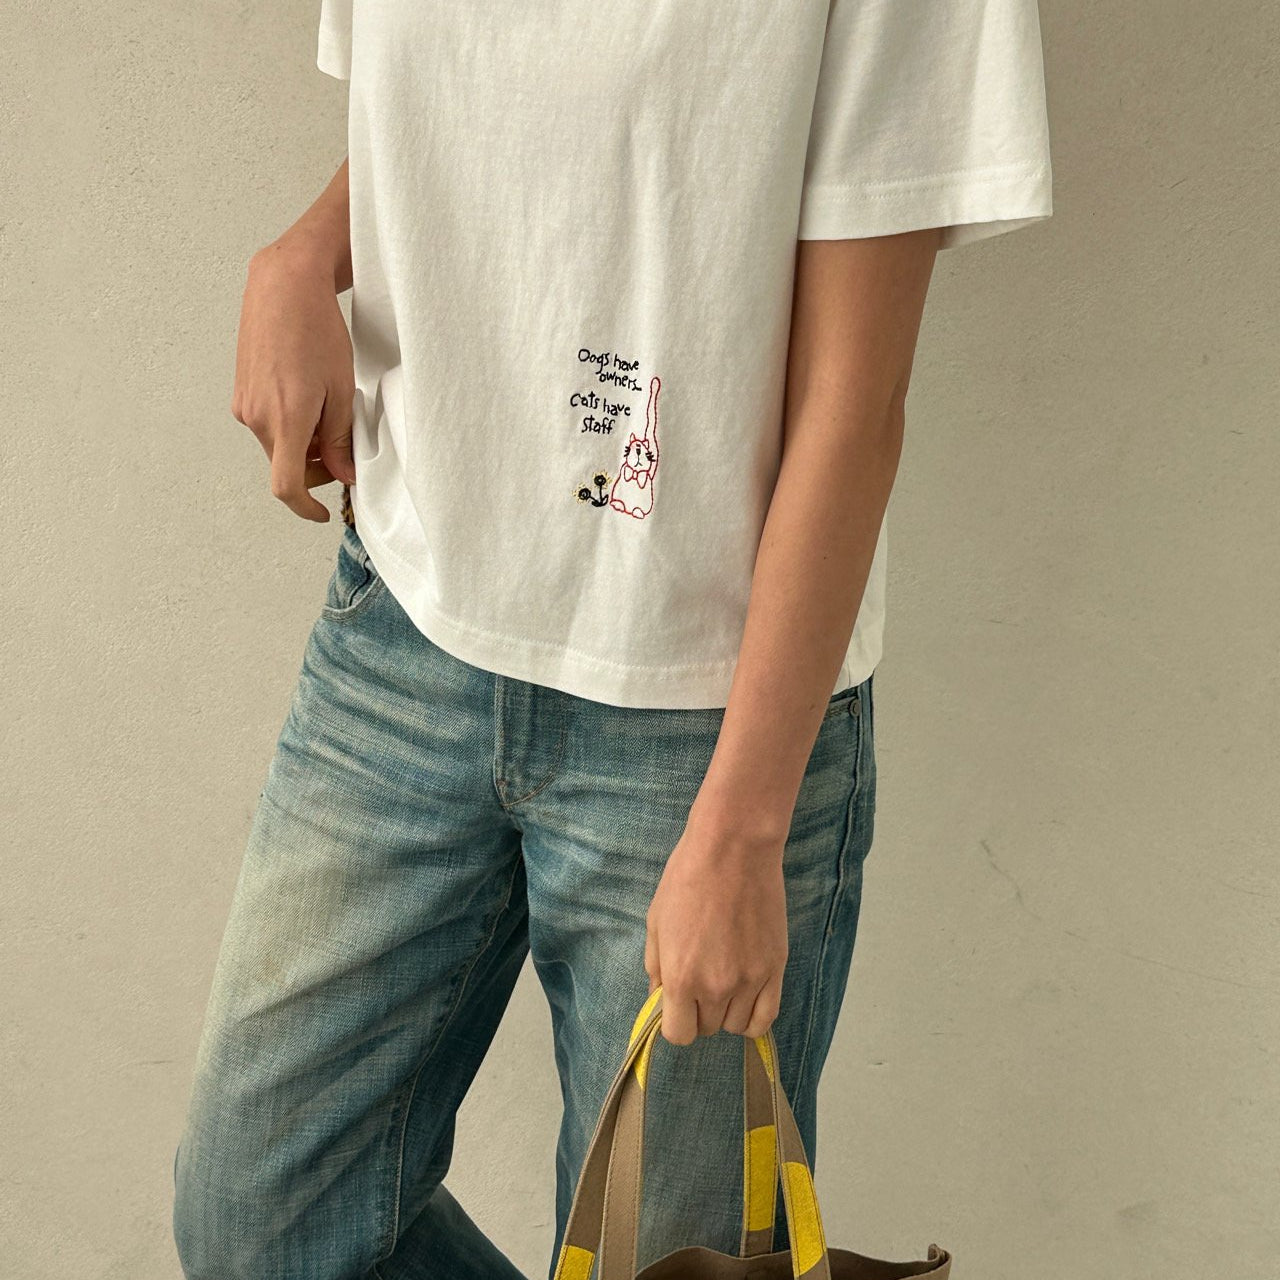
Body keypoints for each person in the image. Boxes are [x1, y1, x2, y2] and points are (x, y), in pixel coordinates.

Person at [172, 2, 1053, 1277]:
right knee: (259, 1220)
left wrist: (742, 828)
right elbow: (487, 91)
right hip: (405, 628)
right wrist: (308, 251)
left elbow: (851, 403)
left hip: (702, 721)